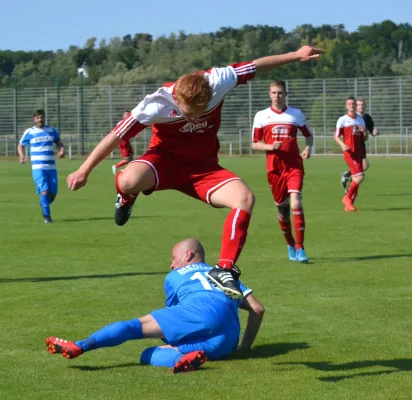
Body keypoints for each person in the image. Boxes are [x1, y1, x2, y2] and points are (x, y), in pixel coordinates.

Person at [66, 46, 323, 299]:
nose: (194, 119)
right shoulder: (155, 104)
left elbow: (257, 65)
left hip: (203, 169)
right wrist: (84, 169)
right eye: (189, 114)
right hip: (164, 162)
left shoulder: (219, 80)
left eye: (201, 113)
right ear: (177, 99)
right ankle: (126, 197)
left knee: (245, 198)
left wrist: (295, 55)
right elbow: (116, 135)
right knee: (128, 179)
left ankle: (224, 270)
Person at [46, 238, 264, 374]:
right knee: (153, 353)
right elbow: (257, 309)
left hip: (198, 314)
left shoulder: (175, 275)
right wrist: (243, 348)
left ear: (188, 255)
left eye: (173, 257)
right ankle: (187, 357)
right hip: (227, 339)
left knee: (135, 328)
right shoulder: (224, 274)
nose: (171, 263)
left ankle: (81, 346)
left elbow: (169, 332)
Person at [252, 80, 313, 263]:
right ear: (269, 94)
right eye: (274, 93)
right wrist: (270, 146)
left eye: (280, 92)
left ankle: (301, 248)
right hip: (274, 169)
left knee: (295, 202)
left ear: (286, 94)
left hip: (294, 166)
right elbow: (255, 144)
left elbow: (308, 136)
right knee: (283, 210)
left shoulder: (296, 114)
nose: (277, 96)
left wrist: (307, 148)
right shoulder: (262, 116)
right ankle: (290, 244)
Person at [17, 110, 64, 223]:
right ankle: (47, 217)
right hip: (38, 168)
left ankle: (44, 204)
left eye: (42, 117)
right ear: (34, 119)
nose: (40, 120)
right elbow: (20, 145)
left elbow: (58, 142)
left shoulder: (52, 131)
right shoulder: (30, 132)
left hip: (51, 168)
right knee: (45, 190)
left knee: (53, 193)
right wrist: (22, 156)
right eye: (38, 118)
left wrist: (62, 150)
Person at [334, 97, 368, 212]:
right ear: (346, 106)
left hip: (359, 152)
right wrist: (342, 144)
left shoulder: (360, 120)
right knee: (360, 177)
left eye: (354, 104)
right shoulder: (342, 120)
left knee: (356, 179)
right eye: (350, 104)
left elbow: (365, 138)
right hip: (350, 152)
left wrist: (365, 131)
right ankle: (347, 198)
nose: (352, 106)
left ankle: (349, 205)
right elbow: (336, 136)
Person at [340, 97, 378, 191]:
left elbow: (370, 129)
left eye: (363, 105)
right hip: (352, 147)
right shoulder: (352, 117)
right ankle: (349, 188)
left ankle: (348, 180)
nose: (361, 106)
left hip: (361, 145)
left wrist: (374, 131)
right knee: (360, 171)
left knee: (362, 168)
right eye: (359, 105)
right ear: (356, 106)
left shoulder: (366, 117)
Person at [112, 111, 134, 175]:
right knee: (127, 159)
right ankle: (116, 166)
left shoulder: (130, 122)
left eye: (128, 114)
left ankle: (128, 171)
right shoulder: (120, 123)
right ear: (123, 115)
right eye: (125, 114)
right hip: (123, 142)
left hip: (127, 141)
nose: (127, 115)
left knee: (131, 156)